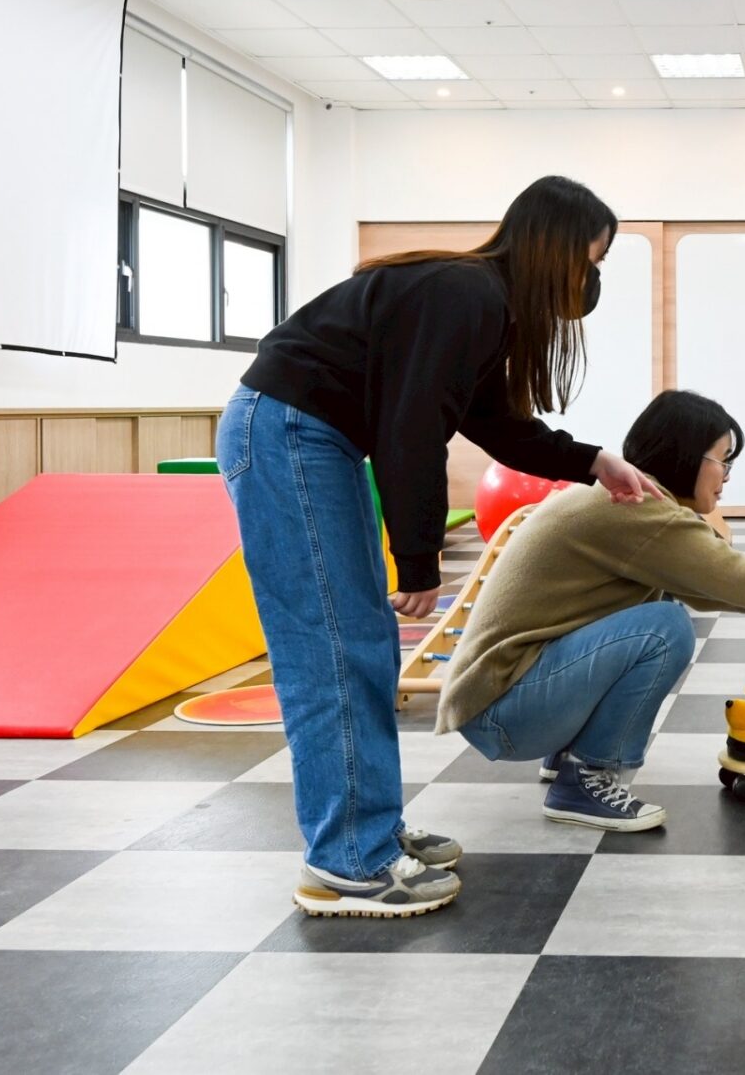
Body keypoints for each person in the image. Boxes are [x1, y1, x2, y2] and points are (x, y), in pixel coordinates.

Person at [219, 175, 659, 918]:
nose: (592, 280)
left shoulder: (482, 305)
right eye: (591, 260)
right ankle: (348, 860)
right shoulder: (467, 295)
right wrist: (418, 557)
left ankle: (370, 830)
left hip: (311, 436)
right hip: (289, 431)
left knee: (362, 642)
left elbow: (497, 424)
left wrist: (593, 460)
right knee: (334, 646)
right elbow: (411, 429)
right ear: (554, 249)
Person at [437, 390, 745, 830]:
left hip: (501, 700)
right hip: (505, 711)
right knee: (664, 628)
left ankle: (568, 753)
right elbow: (739, 582)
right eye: (722, 461)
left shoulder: (625, 500)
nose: (727, 477)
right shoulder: (639, 510)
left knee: (662, 609)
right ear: (684, 457)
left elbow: (715, 588)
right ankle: (585, 778)